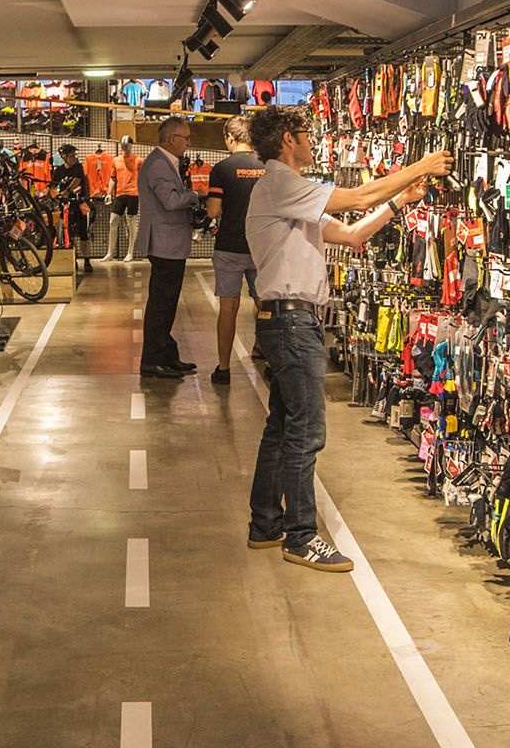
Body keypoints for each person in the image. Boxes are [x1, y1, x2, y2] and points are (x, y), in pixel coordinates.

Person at [244, 105, 453, 571]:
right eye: (304, 132)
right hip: (292, 324)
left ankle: (265, 524)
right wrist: (420, 165)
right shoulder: (281, 183)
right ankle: (301, 537)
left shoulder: (288, 193)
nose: (311, 139)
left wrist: (401, 201)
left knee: (282, 425)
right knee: (305, 432)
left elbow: (354, 234)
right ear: (285, 139)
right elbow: (358, 199)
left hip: (288, 321)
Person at [135, 116, 199, 379]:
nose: (188, 143)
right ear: (172, 139)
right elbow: (171, 201)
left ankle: (166, 354)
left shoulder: (164, 163)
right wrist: (196, 195)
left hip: (168, 242)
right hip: (164, 243)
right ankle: (152, 361)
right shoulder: (159, 165)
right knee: (162, 304)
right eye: (186, 138)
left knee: (167, 302)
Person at [205, 115, 264, 386]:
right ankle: (267, 356)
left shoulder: (221, 169)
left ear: (230, 138)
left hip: (229, 245)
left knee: (228, 306)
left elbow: (214, 210)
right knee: (265, 304)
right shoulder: (268, 166)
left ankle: (224, 369)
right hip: (263, 247)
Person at [100, 136, 141, 262]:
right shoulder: (115, 160)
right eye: (122, 145)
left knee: (131, 221)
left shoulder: (139, 160)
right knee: (113, 221)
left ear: (131, 145)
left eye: (126, 145)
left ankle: (130, 252)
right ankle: (110, 253)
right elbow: (113, 177)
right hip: (119, 194)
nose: (124, 148)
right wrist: (108, 193)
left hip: (133, 193)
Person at [50, 143, 90, 273]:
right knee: (69, 234)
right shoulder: (58, 171)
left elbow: (77, 181)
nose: (74, 158)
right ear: (64, 156)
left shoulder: (78, 167)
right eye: (71, 156)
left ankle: (87, 260)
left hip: (79, 203)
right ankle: (74, 259)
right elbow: (52, 188)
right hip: (65, 205)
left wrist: (66, 192)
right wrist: (56, 196)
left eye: (75, 155)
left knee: (84, 233)